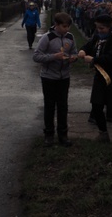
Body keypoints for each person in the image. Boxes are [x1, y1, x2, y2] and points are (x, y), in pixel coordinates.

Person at [78, 14, 112, 144]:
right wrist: (82, 50)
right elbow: (89, 45)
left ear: (110, 28)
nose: (99, 31)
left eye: (102, 28)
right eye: (98, 28)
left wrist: (94, 60)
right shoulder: (97, 37)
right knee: (97, 106)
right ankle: (103, 134)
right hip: (100, 77)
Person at [32, 12, 78, 147]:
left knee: (63, 106)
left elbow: (74, 51)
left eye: (68, 26)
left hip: (64, 77)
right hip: (49, 77)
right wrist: (53, 57)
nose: (67, 29)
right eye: (64, 26)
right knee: (50, 106)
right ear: (56, 25)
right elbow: (36, 56)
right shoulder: (48, 38)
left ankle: (63, 135)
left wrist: (73, 58)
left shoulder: (70, 37)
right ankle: (49, 134)